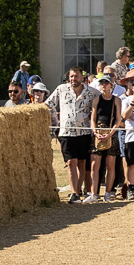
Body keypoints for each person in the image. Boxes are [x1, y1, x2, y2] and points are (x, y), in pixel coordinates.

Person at [45, 68, 99, 202]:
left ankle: (78, 190)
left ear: (82, 77)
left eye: (76, 76)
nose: (73, 79)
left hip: (84, 132)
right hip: (66, 132)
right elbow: (48, 105)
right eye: (71, 76)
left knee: (81, 162)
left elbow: (103, 103)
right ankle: (74, 193)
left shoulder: (92, 92)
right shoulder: (61, 89)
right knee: (70, 162)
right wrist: (55, 122)